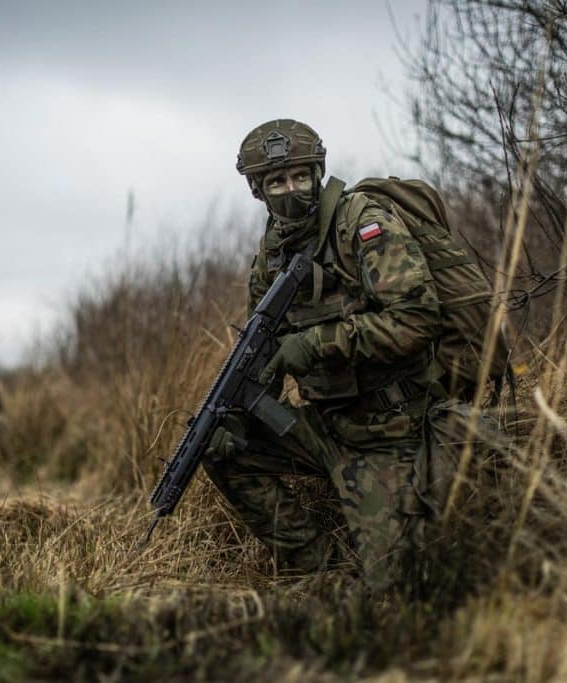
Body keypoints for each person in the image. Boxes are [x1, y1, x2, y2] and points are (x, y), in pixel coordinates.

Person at [201, 119, 504, 594]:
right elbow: (264, 355)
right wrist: (238, 412)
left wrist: (316, 344)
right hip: (329, 427)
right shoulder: (271, 255)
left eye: (300, 177)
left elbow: (415, 317)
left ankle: (367, 579)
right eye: (276, 182)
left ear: (318, 173)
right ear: (257, 190)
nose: (290, 191)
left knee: (394, 591)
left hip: (392, 429)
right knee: (220, 448)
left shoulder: (362, 223)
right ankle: (324, 571)